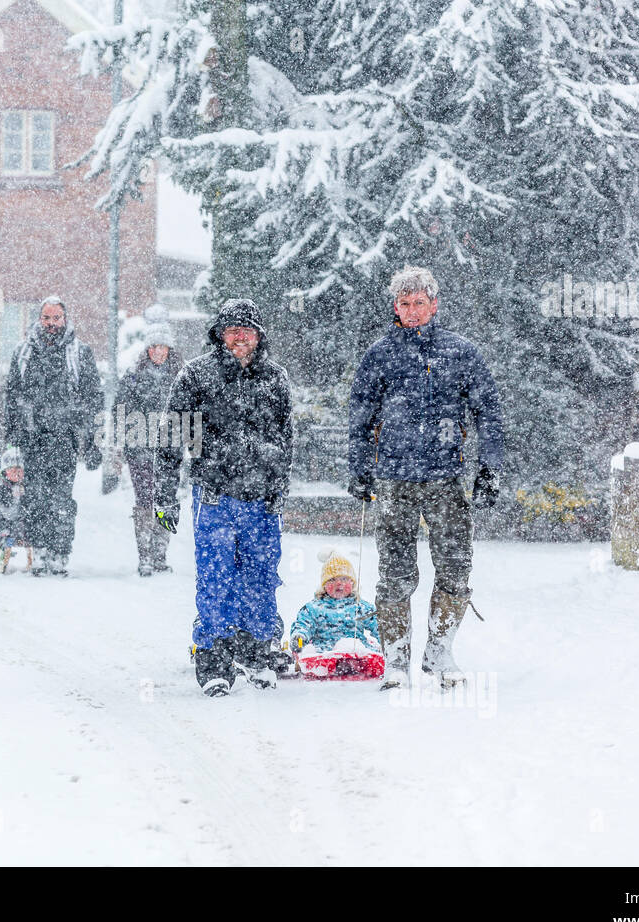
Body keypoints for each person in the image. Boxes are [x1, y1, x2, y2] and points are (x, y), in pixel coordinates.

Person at [347, 265, 505, 690]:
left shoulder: (461, 353)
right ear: (395, 307)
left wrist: (489, 466)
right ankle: (396, 659)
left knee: (455, 568)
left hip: (446, 478)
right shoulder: (379, 355)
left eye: (420, 303)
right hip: (394, 479)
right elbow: (360, 415)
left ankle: (439, 651)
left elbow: (488, 411)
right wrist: (359, 466)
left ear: (434, 305)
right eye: (405, 304)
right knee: (395, 572)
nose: (412, 311)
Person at [155, 298, 293, 697]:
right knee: (216, 578)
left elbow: (287, 439)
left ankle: (255, 650)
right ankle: (214, 658)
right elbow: (170, 439)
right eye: (232, 329)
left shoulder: (275, 379)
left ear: (259, 335)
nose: (239, 336)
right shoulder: (196, 376)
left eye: (247, 329)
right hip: (214, 496)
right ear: (220, 333)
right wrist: (166, 496)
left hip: (263, 500)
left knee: (261, 578)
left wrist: (278, 488)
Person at [3, 295, 103, 577]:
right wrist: (11, 439)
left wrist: (94, 440)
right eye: (46, 318)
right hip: (31, 439)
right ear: (39, 319)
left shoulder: (79, 353)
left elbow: (93, 398)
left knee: (61, 499)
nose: (51, 324)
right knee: (34, 499)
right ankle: (42, 550)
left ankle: (59, 552)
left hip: (64, 439)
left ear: (65, 319)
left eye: (56, 318)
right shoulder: (23, 353)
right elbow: (12, 397)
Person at [114, 316, 182, 576]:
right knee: (144, 500)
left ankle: (160, 553)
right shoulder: (133, 378)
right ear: (147, 350)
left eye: (162, 346)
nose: (158, 351)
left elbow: (190, 411)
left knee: (166, 500)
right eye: (153, 346)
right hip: (140, 450)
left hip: (169, 451)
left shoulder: (180, 377)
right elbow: (120, 411)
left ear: (169, 349)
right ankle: (145, 555)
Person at [287, 549, 383, 679]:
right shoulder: (314, 608)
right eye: (332, 579)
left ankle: (351, 663)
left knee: (361, 653)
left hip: (355, 648)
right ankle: (332, 666)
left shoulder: (360, 606)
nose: (339, 583)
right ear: (324, 585)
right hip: (325, 651)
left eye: (344, 578)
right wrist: (299, 638)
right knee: (317, 658)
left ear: (353, 583)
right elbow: (303, 625)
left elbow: (378, 625)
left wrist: (385, 640)